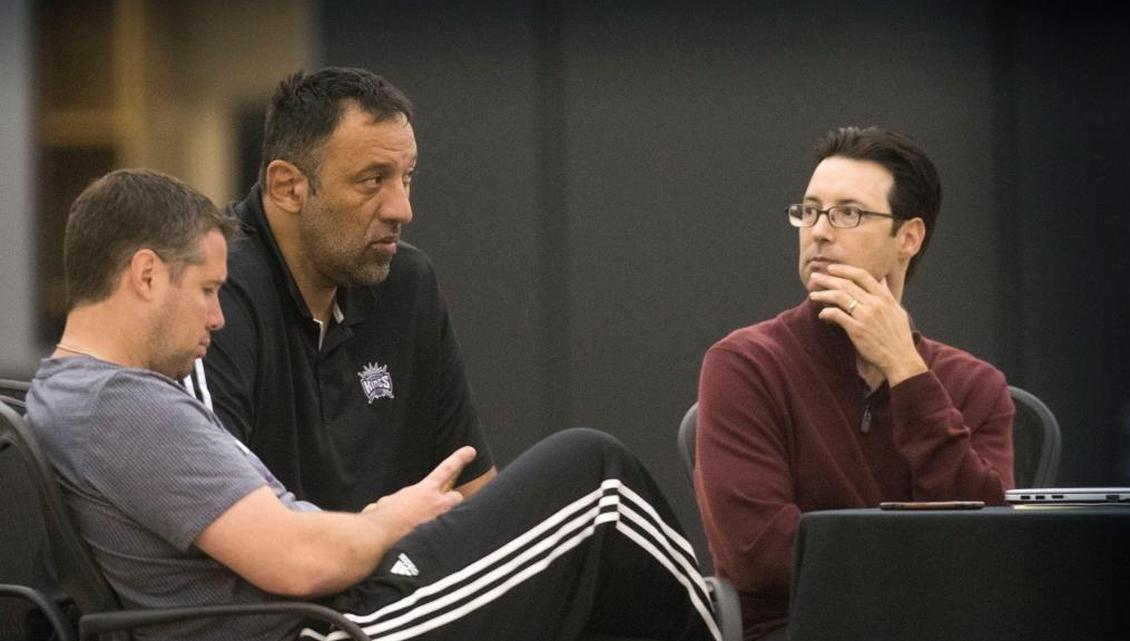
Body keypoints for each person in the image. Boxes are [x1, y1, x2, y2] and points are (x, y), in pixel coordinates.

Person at [27, 168, 720, 641]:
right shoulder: (122, 406)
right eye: (208, 291)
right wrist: (394, 517)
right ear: (147, 275)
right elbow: (296, 560)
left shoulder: (63, 394)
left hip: (333, 606)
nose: (217, 318)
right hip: (334, 622)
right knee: (597, 480)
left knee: (584, 531)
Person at [694, 127, 1014, 641]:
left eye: (849, 213)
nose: (819, 231)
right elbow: (757, 554)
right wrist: (919, 565)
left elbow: (986, 551)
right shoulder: (745, 364)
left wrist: (907, 373)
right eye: (810, 210)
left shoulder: (975, 386)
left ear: (909, 237)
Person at [184, 67, 494, 512]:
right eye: (372, 180)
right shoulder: (215, 292)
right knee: (597, 466)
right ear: (288, 187)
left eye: (406, 177)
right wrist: (373, 536)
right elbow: (224, 518)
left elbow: (472, 492)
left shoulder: (408, 282)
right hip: (288, 574)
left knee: (583, 469)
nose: (401, 208)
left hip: (407, 575)